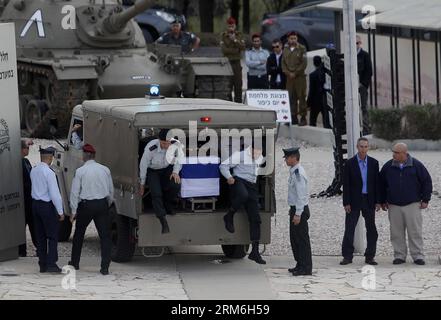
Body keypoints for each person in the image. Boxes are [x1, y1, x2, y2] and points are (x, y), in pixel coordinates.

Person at [380, 143, 432, 266]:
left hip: (412, 204)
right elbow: (381, 184)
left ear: (404, 153)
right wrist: (382, 200)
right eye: (393, 152)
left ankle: (418, 255)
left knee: (415, 231)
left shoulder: (416, 165)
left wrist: (425, 199)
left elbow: (426, 182)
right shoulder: (388, 166)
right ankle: (399, 256)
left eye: (396, 153)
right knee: (396, 232)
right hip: (394, 205)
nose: (393, 155)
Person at [69, 144, 114, 276]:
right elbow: (111, 191)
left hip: (86, 205)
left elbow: (74, 192)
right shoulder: (105, 169)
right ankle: (105, 267)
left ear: (84, 156)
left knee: (79, 234)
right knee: (105, 236)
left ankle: (75, 262)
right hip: (102, 204)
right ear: (94, 156)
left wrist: (73, 211)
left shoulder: (80, 171)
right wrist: (108, 203)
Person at [219, 142, 266, 265]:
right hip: (238, 181)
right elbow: (223, 166)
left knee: (256, 218)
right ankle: (229, 215)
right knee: (242, 195)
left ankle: (255, 251)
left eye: (260, 152)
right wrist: (229, 177)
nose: (257, 154)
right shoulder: (239, 155)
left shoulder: (260, 158)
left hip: (251, 185)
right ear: (251, 149)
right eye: (256, 151)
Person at [340, 138, 380, 266]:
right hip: (354, 200)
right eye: (361, 146)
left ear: (368, 148)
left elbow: (376, 184)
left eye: (366, 147)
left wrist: (378, 201)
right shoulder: (350, 163)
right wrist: (346, 202)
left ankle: (370, 256)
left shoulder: (374, 163)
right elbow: (346, 184)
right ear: (357, 147)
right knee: (350, 228)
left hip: (369, 200)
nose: (363, 149)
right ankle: (347, 256)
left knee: (371, 229)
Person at [139, 129, 183, 234]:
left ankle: (167, 204)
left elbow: (179, 159)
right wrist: (142, 183)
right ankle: (162, 219)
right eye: (163, 143)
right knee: (156, 193)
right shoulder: (151, 147)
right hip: (152, 170)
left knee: (176, 185)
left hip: (166, 169)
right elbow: (143, 165)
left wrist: (176, 172)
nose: (166, 145)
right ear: (159, 140)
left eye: (168, 143)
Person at [30, 146, 64, 273]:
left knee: (41, 236)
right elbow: (55, 194)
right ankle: (51, 263)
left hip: (35, 205)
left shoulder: (34, 170)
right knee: (52, 236)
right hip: (46, 206)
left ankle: (42, 263)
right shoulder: (49, 173)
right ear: (50, 158)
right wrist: (60, 212)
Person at [284, 147, 313, 276]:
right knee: (295, 239)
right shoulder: (293, 171)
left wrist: (297, 214)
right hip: (295, 209)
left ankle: (306, 267)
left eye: (287, 157)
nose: (285, 160)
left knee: (301, 240)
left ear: (294, 158)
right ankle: (300, 263)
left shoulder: (298, 174)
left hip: (299, 210)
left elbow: (301, 195)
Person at [282, 32, 308, 126]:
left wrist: (295, 72)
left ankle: (303, 118)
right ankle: (293, 117)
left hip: (299, 77)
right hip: (289, 78)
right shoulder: (285, 49)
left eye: (295, 38)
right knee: (291, 97)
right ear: (288, 39)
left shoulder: (302, 48)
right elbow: (283, 63)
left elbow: (304, 63)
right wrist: (288, 73)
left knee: (301, 97)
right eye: (291, 38)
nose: (293, 40)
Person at [18, 139, 38, 257]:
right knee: (22, 226)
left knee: (33, 225)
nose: (28, 149)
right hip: (24, 198)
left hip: (30, 198)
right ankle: (21, 250)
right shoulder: (19, 162)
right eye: (27, 147)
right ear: (21, 149)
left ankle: (39, 248)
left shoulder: (26, 161)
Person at [220, 17, 246, 103]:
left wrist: (234, 40)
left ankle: (238, 104)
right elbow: (224, 50)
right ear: (227, 26)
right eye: (229, 26)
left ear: (235, 26)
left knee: (238, 85)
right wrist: (235, 50)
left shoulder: (239, 35)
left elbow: (243, 47)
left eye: (232, 26)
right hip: (227, 63)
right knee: (228, 86)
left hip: (237, 63)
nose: (231, 28)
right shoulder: (223, 35)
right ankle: (228, 103)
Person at [307, 56, 330, 128]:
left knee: (312, 120)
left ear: (314, 63)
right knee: (326, 121)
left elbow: (311, 90)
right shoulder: (326, 74)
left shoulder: (312, 75)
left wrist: (308, 103)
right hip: (324, 99)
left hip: (315, 101)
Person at [356, 35, 373, 135]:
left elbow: (369, 71)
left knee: (364, 107)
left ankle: (366, 128)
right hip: (353, 87)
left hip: (362, 86)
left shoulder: (365, 55)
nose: (356, 45)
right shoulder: (350, 55)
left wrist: (363, 84)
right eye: (355, 43)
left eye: (358, 43)